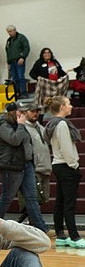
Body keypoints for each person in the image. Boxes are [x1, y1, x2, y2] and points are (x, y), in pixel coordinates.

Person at [0, 103, 47, 232]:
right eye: (18, 112)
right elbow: (14, 140)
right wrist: (21, 125)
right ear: (12, 113)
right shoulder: (4, 125)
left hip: (26, 165)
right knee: (7, 197)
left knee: (31, 197)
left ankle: (41, 227)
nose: (21, 115)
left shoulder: (19, 125)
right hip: (11, 166)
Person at [45, 96, 84, 248]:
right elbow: (66, 148)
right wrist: (74, 164)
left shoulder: (53, 124)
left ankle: (61, 234)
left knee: (60, 201)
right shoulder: (61, 124)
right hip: (66, 166)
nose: (71, 106)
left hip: (59, 165)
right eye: (68, 104)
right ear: (61, 106)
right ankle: (74, 236)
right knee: (69, 203)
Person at [17, 101, 52, 217]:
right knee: (33, 199)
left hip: (45, 166)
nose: (35, 113)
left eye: (37, 111)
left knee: (44, 198)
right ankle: (32, 224)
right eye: (32, 111)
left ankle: (30, 221)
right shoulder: (22, 128)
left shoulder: (42, 128)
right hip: (33, 168)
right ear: (25, 113)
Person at [5, 25, 30, 99]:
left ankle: (24, 92)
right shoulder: (9, 40)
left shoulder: (21, 38)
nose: (9, 33)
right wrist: (8, 63)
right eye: (8, 32)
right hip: (12, 62)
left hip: (19, 61)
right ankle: (18, 93)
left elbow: (26, 48)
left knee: (20, 77)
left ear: (15, 30)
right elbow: (8, 52)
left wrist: (22, 57)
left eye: (10, 31)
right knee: (15, 78)